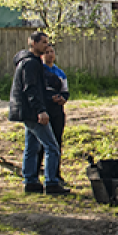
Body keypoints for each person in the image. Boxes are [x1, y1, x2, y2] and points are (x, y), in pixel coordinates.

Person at [8, 31, 70, 196]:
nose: (46, 45)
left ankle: (31, 181)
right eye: (43, 42)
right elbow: (31, 90)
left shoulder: (29, 62)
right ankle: (51, 183)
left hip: (27, 111)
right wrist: (41, 111)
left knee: (32, 146)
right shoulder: (31, 64)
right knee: (52, 147)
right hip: (32, 112)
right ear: (33, 43)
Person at [36, 43, 70, 184]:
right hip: (44, 111)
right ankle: (36, 173)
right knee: (41, 145)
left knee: (56, 143)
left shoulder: (60, 73)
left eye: (52, 51)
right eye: (47, 52)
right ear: (42, 55)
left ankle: (55, 174)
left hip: (57, 111)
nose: (50, 54)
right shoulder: (39, 72)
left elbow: (65, 91)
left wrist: (63, 98)